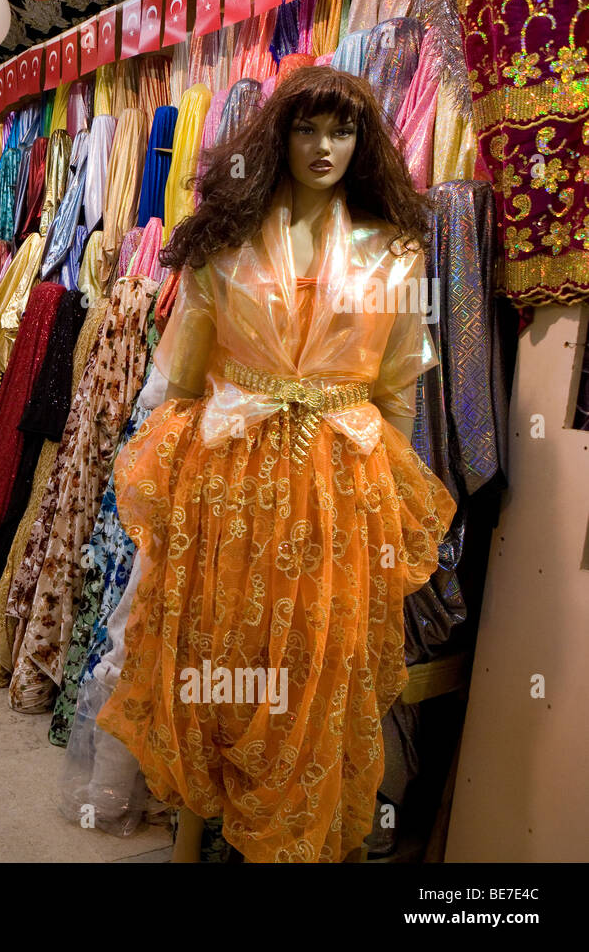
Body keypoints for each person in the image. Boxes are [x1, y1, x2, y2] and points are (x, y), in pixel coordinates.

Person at [96, 67, 458, 862]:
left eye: (342, 131)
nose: (324, 146)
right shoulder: (222, 243)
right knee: (217, 658)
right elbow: (185, 382)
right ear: (277, 137)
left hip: (340, 487)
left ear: (364, 144)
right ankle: (195, 830)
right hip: (230, 483)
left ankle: (293, 835)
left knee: (317, 666)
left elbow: (397, 391)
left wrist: (392, 497)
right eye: (306, 129)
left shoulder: (395, 254)